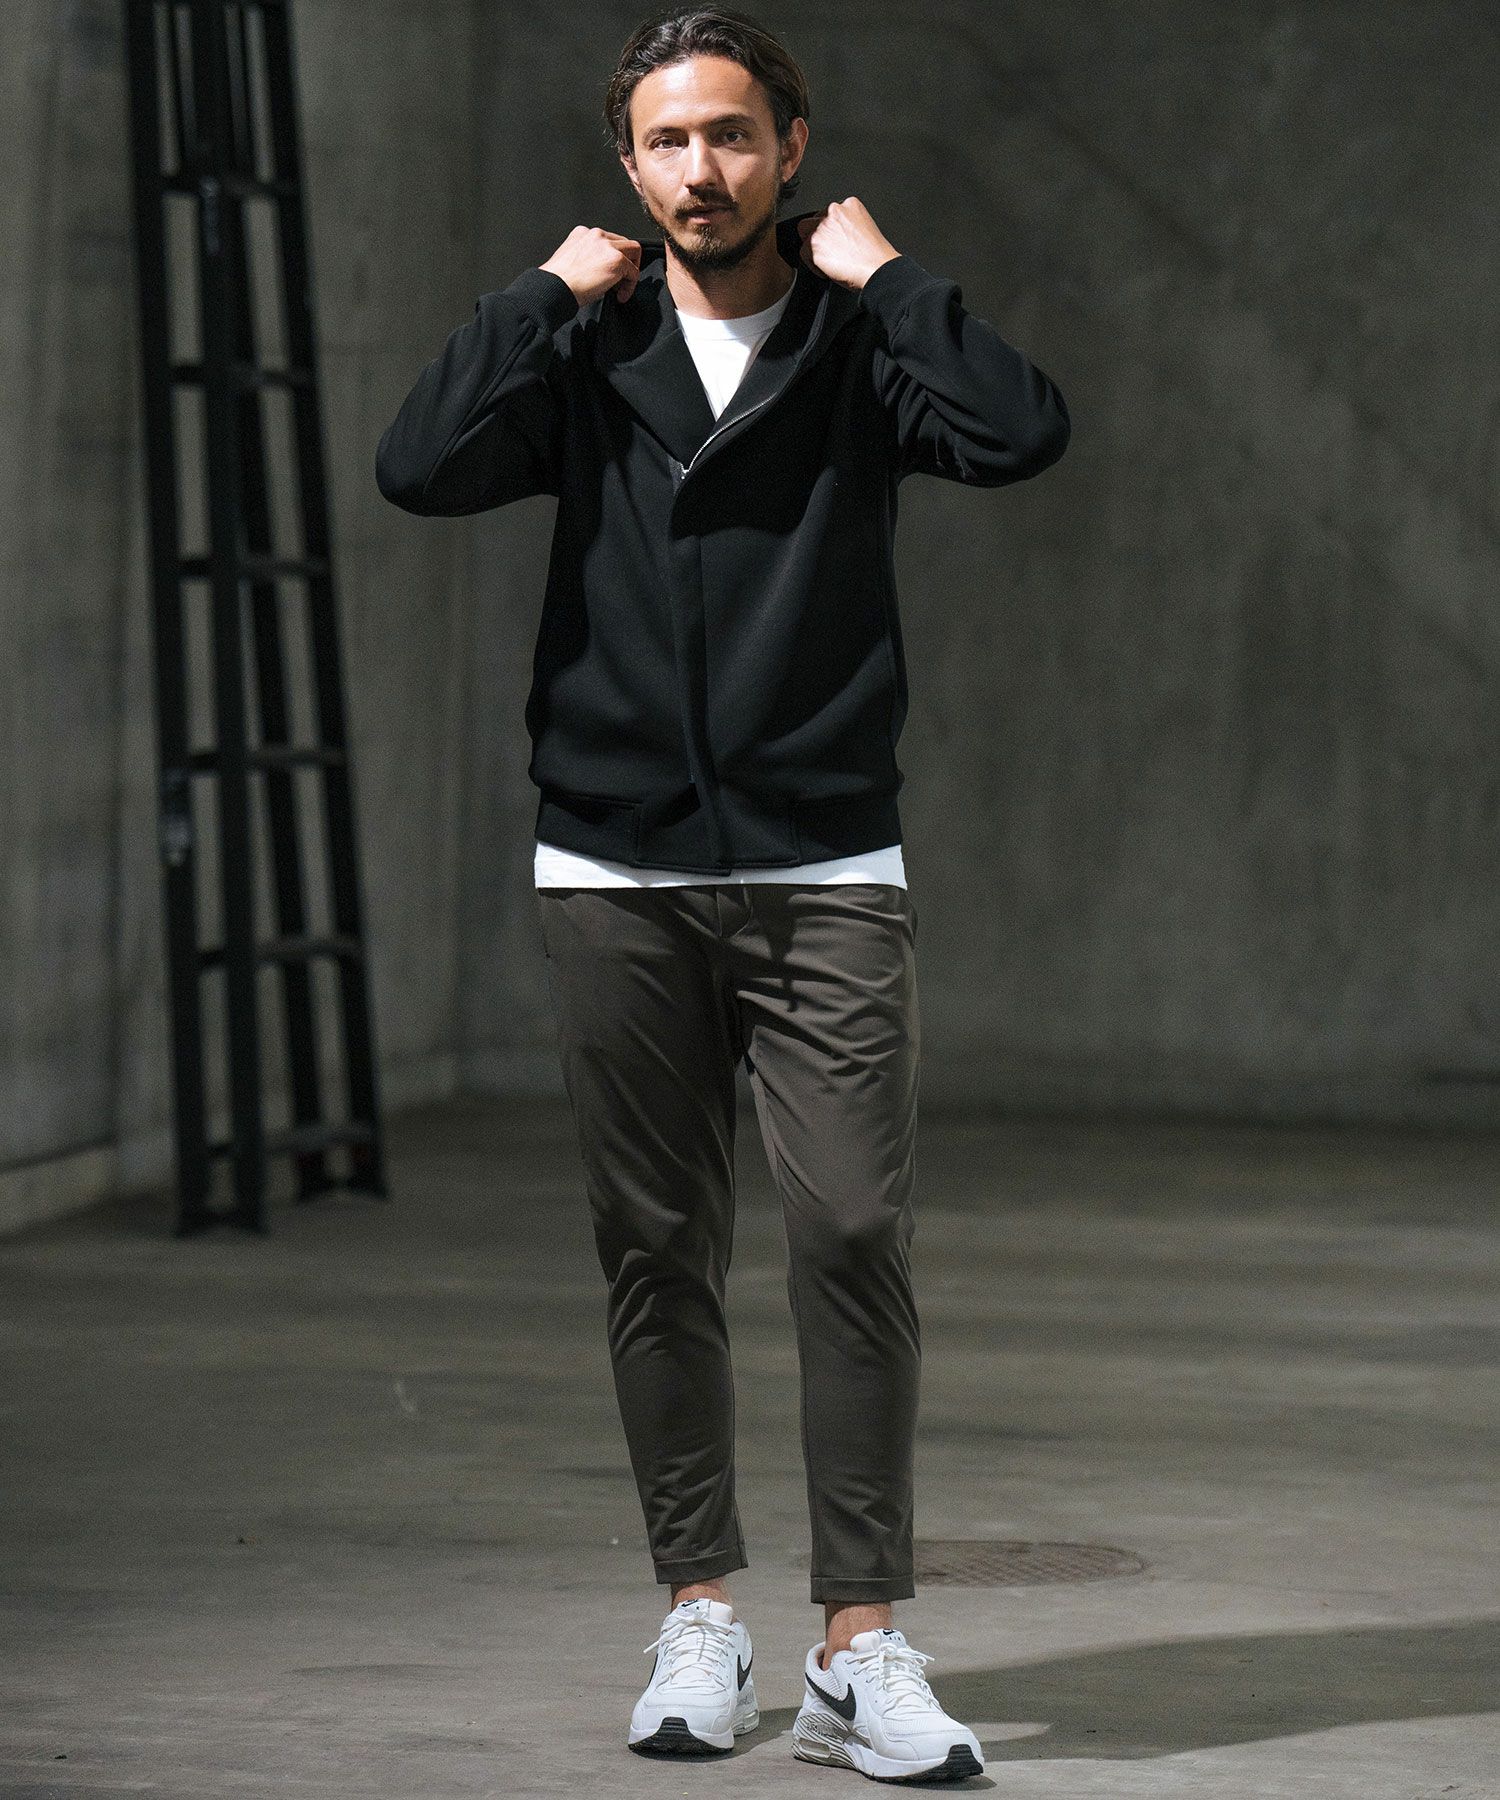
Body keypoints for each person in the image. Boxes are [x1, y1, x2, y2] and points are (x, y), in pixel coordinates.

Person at [376, 4, 1069, 1780]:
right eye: (671, 141)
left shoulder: (859, 345)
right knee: (657, 1244)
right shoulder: (583, 349)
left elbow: (1019, 433)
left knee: (850, 1232)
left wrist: (892, 277)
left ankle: (861, 1644)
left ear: (791, 148)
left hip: (824, 858)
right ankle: (699, 1610)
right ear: (630, 166)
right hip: (614, 862)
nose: (704, 169)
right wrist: (536, 297)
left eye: (735, 135)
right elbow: (416, 464)